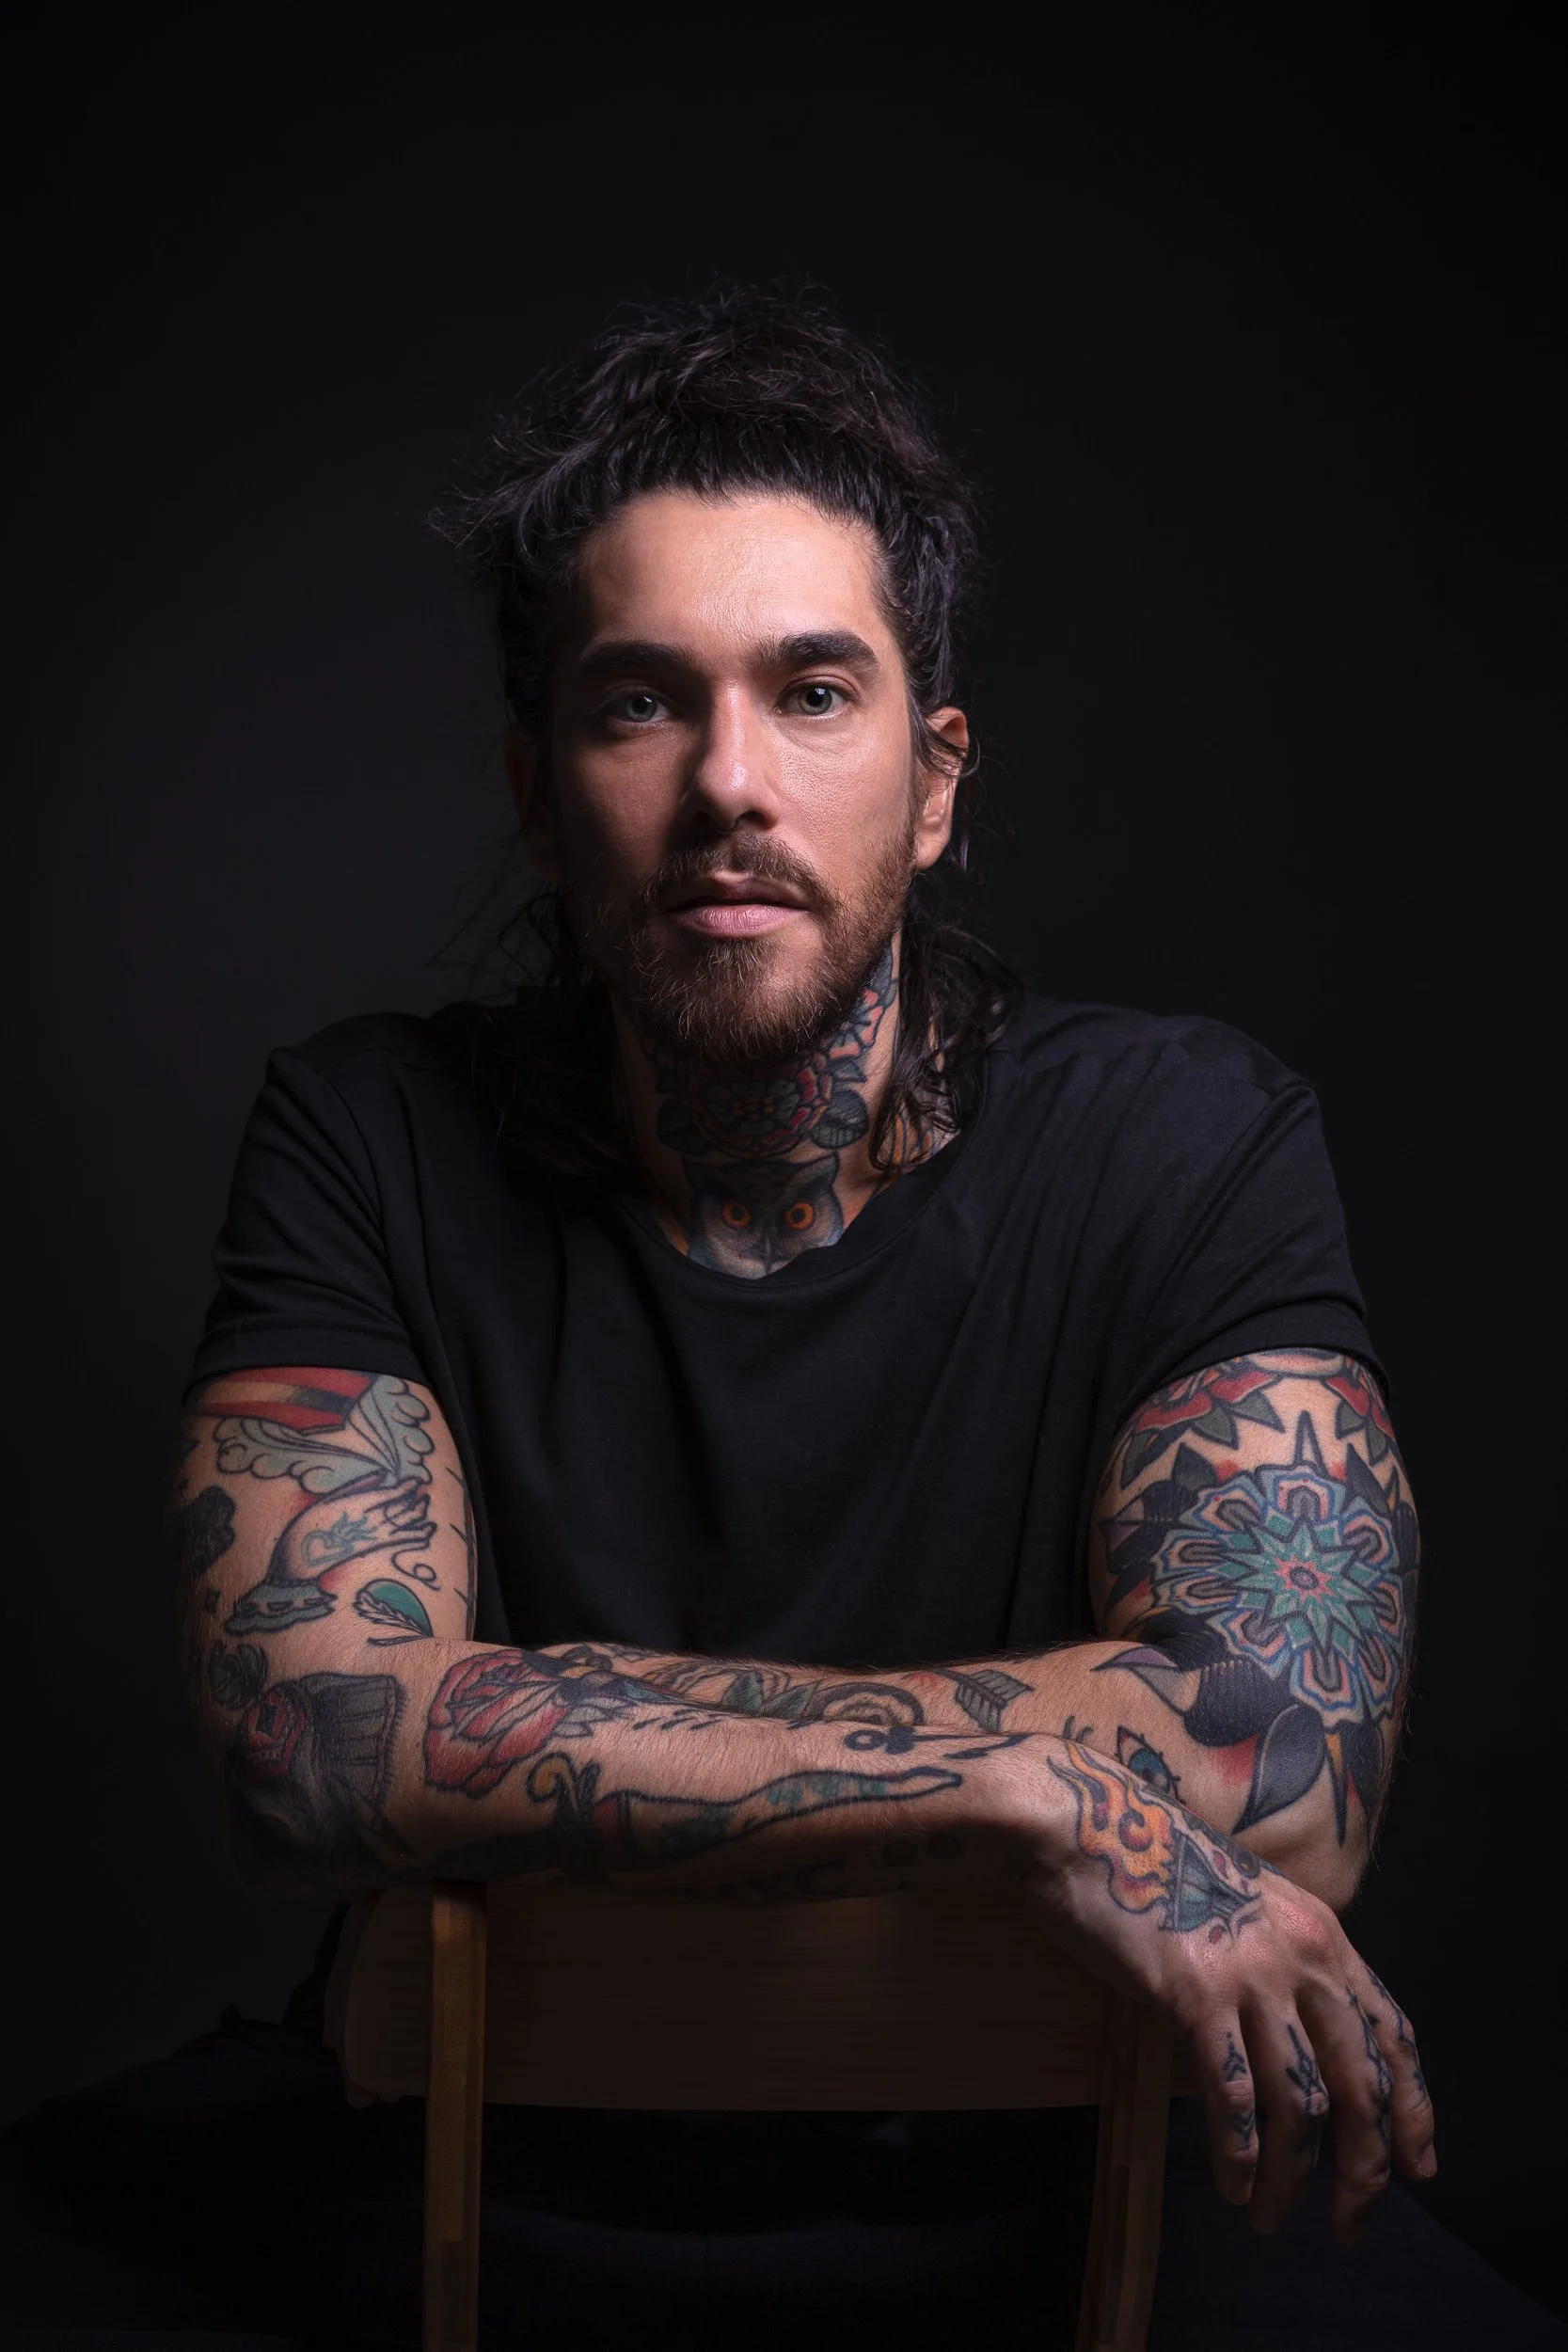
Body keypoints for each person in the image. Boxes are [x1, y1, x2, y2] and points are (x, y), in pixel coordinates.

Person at [6, 294, 1560, 2352]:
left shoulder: (1184, 1137)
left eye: (811, 692)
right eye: (639, 702)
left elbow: (1285, 1778)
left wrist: (589, 1733)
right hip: (450, 2171)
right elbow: (311, 1742)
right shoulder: (367, 1130)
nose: (728, 780)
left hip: (1061, 2177)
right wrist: (1026, 1783)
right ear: (538, 788)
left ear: (931, 782)